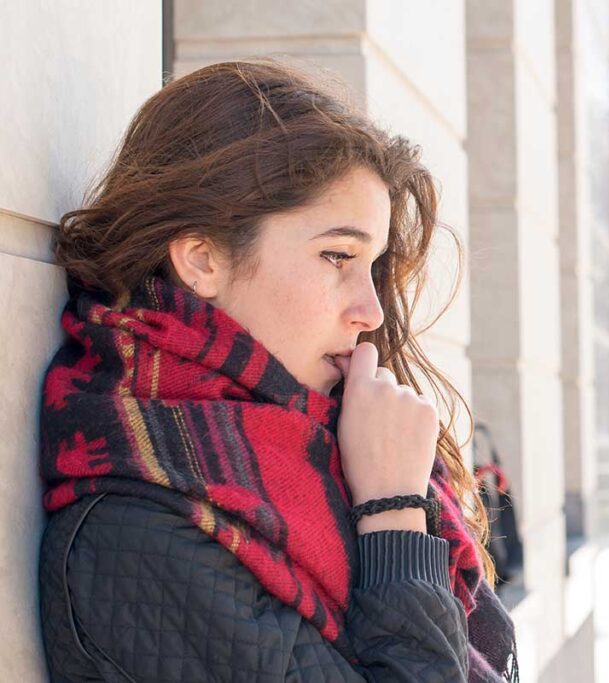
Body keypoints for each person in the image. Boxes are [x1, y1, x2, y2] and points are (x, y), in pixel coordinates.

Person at [37, 58, 518, 682]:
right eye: (336, 256)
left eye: (372, 267)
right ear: (202, 259)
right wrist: (394, 514)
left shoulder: (326, 444)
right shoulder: (136, 531)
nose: (369, 312)